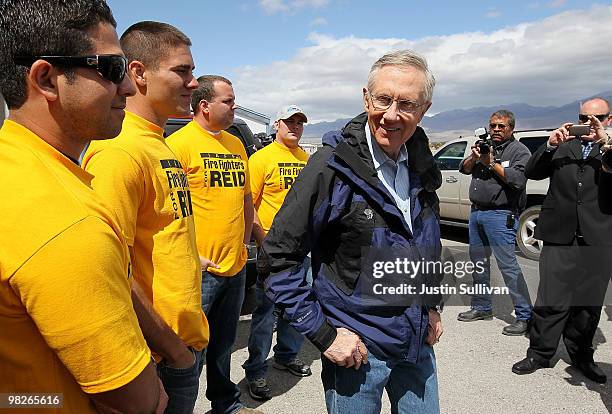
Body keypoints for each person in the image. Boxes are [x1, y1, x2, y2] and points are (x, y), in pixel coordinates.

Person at [0, 1, 166, 413]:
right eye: (111, 69)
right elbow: (136, 399)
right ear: (47, 79)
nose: (128, 88)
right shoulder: (65, 219)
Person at [259, 50, 443, 414]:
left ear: (424, 110)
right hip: (358, 353)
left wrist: (432, 305)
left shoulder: (421, 162)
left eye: (406, 104)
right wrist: (325, 335)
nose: (391, 114)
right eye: (383, 99)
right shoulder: (331, 166)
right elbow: (278, 258)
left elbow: (426, 243)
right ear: (366, 98)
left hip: (416, 343)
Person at [81, 21, 208, 413]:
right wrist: (170, 350)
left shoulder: (159, 144)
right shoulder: (121, 153)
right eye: (182, 71)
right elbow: (106, 269)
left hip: (181, 341)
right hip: (159, 354)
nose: (193, 83)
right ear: (138, 73)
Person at [167, 75, 261, 414]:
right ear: (204, 106)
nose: (235, 107)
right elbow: (169, 210)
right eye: (229, 101)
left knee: (223, 344)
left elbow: (246, 197)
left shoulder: (236, 144)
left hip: (235, 266)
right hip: (199, 271)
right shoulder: (178, 145)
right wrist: (192, 256)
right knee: (190, 350)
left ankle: (225, 403)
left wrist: (249, 241)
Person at [512, 97, 612, 383]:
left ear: (609, 119)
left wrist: (605, 142)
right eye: (583, 117)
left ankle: (582, 356)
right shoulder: (563, 144)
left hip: (598, 235)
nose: (588, 124)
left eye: (597, 118)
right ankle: (540, 353)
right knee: (550, 296)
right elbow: (532, 172)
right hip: (559, 232)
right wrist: (551, 145)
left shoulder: (609, 147)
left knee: (588, 302)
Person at [242, 105, 312, 401]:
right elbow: (250, 206)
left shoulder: (306, 159)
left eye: (300, 122)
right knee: (265, 312)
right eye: (289, 122)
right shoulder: (261, 159)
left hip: (301, 248)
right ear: (276, 125)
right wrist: (263, 242)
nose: (295, 127)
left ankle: (286, 354)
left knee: (297, 306)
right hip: (272, 248)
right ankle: (256, 370)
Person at [456, 110, 533, 335]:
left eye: (501, 126)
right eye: (493, 126)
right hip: (477, 213)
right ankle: (481, 307)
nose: (496, 130)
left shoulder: (519, 151)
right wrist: (474, 157)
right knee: (479, 264)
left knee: (508, 266)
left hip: (500, 215)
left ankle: (525, 316)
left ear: (511, 128)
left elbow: (517, 181)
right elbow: (464, 168)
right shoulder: (484, 146)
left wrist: (491, 163)